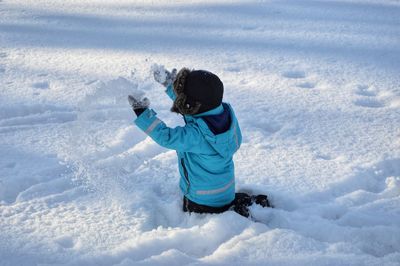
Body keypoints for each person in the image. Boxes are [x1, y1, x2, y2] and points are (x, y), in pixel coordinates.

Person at [128, 67, 270, 217]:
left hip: (200, 201)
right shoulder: (225, 116)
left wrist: (142, 113)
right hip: (226, 193)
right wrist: (170, 86)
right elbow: (193, 111)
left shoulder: (197, 136)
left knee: (193, 211)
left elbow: (167, 137)